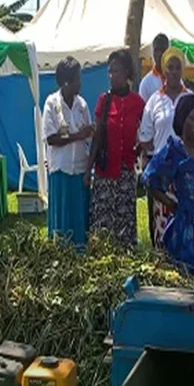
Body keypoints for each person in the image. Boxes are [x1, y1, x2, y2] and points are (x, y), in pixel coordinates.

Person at [142, 94, 194, 282]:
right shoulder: (173, 151)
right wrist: (172, 205)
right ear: (181, 119)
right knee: (190, 282)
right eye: (191, 118)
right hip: (186, 232)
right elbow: (149, 179)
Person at [86, 48, 145, 248]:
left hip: (126, 174)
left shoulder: (138, 103)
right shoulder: (104, 100)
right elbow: (98, 136)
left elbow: (146, 132)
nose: (112, 76)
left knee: (124, 225)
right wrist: (89, 170)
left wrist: (138, 149)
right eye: (110, 71)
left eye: (116, 71)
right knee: (103, 225)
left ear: (127, 73)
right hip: (105, 173)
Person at [139, 47, 190, 247]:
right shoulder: (154, 101)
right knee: (162, 227)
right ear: (164, 70)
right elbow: (145, 136)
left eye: (178, 67)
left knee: (186, 229)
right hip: (163, 176)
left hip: (186, 173)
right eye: (170, 67)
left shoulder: (190, 98)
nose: (174, 72)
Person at [43, 56, 93, 248]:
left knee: (78, 217)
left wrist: (89, 133)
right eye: (78, 79)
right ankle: (60, 255)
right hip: (61, 170)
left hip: (79, 169)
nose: (80, 83)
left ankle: (79, 255)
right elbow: (51, 138)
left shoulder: (82, 105)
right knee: (62, 218)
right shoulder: (52, 104)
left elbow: (87, 135)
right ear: (66, 82)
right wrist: (77, 136)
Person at [139, 33, 169, 102]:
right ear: (153, 52)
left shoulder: (175, 79)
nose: (159, 54)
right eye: (156, 50)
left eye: (163, 50)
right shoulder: (146, 83)